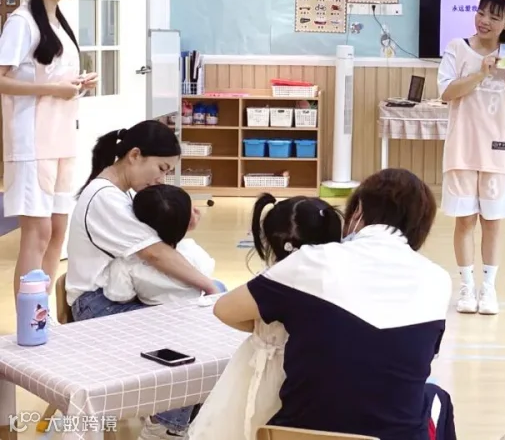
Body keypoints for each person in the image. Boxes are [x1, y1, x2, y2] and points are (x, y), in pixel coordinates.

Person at [212, 168, 456, 440]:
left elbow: (225, 309)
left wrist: (288, 324)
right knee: (437, 398)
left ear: (358, 210)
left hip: (295, 435)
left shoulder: (310, 261)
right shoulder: (437, 280)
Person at [66, 120, 219, 440]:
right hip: (98, 304)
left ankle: (176, 417)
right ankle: (164, 426)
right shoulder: (106, 198)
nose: (160, 179)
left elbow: (155, 246)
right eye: (161, 169)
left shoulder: (117, 193)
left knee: (194, 325)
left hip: (116, 296)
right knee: (187, 337)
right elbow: (155, 253)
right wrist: (207, 286)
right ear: (134, 155)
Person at [188, 193, 343, 440]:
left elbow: (224, 310)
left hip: (271, 369)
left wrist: (259, 327)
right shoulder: (340, 277)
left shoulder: (275, 280)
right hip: (318, 372)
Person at [0, 0, 98, 296]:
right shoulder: (22, 22)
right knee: (37, 233)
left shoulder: (59, 23)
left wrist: (77, 85)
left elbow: (55, 79)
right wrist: (53, 90)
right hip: (32, 142)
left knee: (58, 231)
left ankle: (43, 318)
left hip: (61, 139)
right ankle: (29, 320)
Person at [439, 0, 505, 315]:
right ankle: (466, 287)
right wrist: (481, 73)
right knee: (464, 221)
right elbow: (447, 93)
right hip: (462, 148)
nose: (485, 21)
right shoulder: (457, 48)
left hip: (497, 150)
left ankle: (488, 289)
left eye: (494, 17)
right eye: (481, 13)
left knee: (492, 221)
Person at [104, 184, 217, 306]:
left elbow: (121, 296)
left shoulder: (126, 260)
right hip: (192, 309)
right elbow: (207, 273)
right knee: (219, 285)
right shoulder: (193, 251)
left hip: (153, 312)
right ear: (188, 223)